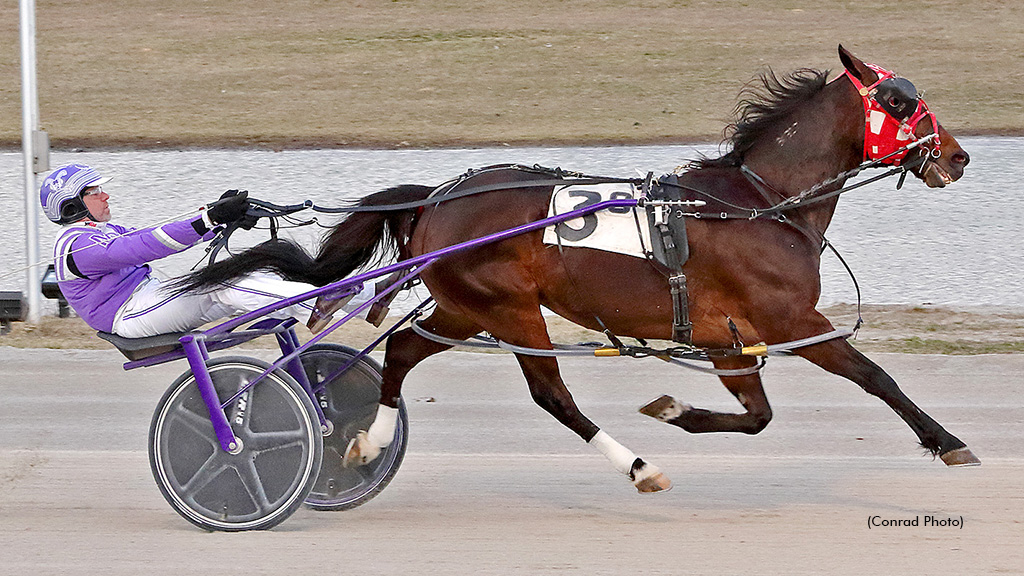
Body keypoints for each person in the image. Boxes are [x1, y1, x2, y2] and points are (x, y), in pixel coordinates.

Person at [40, 163, 372, 338]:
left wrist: (215, 216)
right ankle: (317, 304)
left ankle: (369, 293)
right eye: (95, 192)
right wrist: (208, 219)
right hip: (129, 315)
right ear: (70, 205)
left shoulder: (99, 232)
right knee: (222, 284)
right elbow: (141, 247)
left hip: (149, 298)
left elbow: (149, 235)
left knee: (252, 274)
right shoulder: (75, 245)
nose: (106, 196)